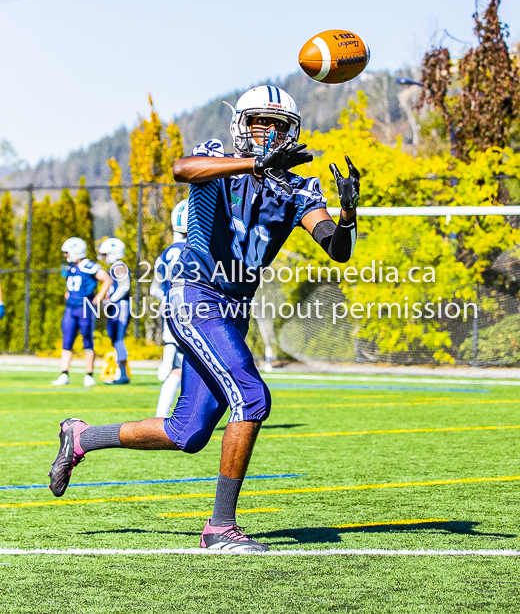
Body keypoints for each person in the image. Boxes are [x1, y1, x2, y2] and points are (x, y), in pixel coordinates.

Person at [48, 85, 359, 553]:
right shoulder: (218, 157)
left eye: (277, 125)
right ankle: (220, 528)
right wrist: (256, 165)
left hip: (232, 310)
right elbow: (183, 169)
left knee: (187, 431)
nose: (267, 132)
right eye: (259, 121)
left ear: (291, 132)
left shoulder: (298, 186)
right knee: (252, 397)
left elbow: (337, 248)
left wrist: (349, 211)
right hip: (195, 293)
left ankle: (81, 437)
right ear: (241, 124)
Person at [51, 237, 112, 388]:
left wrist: (98, 297)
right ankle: (64, 373)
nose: (65, 255)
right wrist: (67, 292)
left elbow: (107, 279)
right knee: (67, 341)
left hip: (85, 307)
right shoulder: (71, 267)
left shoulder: (89, 266)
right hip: (71, 307)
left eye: (67, 252)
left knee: (87, 340)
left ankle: (89, 374)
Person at [150, 200, 188, 417]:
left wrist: (166, 299)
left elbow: (155, 288)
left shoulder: (165, 253)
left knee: (178, 367)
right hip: (195, 309)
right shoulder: (200, 250)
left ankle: (160, 415)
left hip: (170, 308)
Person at [98, 238, 131, 385]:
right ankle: (121, 373)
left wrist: (111, 300)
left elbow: (124, 287)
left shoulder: (119, 266)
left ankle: (122, 373)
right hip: (116, 307)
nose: (104, 257)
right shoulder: (115, 267)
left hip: (120, 306)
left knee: (118, 339)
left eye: (105, 254)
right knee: (115, 339)